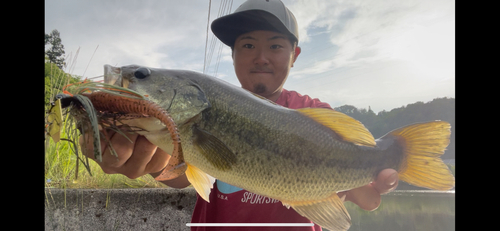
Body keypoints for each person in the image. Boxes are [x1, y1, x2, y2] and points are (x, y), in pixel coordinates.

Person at [84, 0, 399, 230]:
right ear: (233, 54)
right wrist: (148, 161)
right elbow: (183, 174)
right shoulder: (184, 121)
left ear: (295, 55)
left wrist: (379, 175)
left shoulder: (316, 117)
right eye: (247, 45)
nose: (260, 57)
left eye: (275, 46)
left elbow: (368, 200)